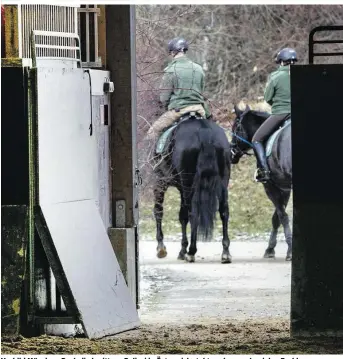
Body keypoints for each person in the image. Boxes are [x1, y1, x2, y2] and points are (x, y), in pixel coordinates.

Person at [146, 37, 211, 141]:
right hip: (199, 110)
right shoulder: (199, 69)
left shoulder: (171, 70)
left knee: (153, 131)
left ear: (172, 53)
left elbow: (164, 98)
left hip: (178, 111)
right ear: (185, 51)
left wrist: (164, 107)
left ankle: (154, 157)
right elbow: (202, 93)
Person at [252, 47, 297, 183]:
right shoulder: (302, 74)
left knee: (256, 139)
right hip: (300, 113)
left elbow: (268, 97)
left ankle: (264, 171)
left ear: (281, 62)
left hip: (281, 113)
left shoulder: (276, 76)